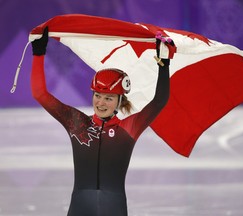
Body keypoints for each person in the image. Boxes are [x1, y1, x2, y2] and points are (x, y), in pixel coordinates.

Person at [31, 27, 173, 216]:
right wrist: (38, 54)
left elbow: (159, 100)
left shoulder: (129, 127)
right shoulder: (77, 122)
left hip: (113, 207)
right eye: (98, 95)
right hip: (80, 206)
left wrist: (164, 63)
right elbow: (40, 94)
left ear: (120, 101)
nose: (101, 102)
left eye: (108, 98)